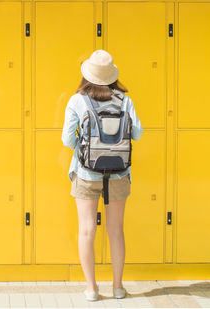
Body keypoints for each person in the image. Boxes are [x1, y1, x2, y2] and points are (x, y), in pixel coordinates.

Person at [61, 49, 143, 301]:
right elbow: (137, 134)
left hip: (86, 173)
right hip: (119, 173)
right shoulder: (124, 100)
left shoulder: (77, 100)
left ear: (88, 75)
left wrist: (86, 146)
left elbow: (67, 139)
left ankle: (92, 289)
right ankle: (118, 287)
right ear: (111, 76)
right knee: (115, 230)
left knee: (87, 231)